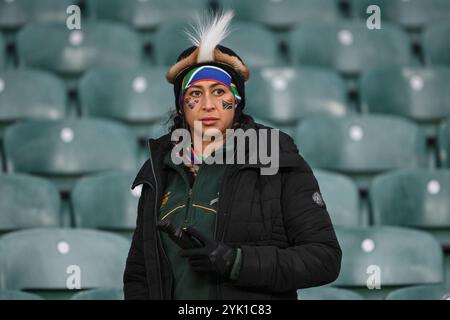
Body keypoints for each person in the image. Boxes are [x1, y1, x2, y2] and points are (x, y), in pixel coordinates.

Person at [124, 11, 341, 300]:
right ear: (182, 106)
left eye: (219, 92)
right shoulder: (158, 169)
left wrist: (237, 262)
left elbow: (324, 259)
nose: (208, 105)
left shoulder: (276, 157)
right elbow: (140, 274)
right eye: (195, 94)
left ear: (236, 102)